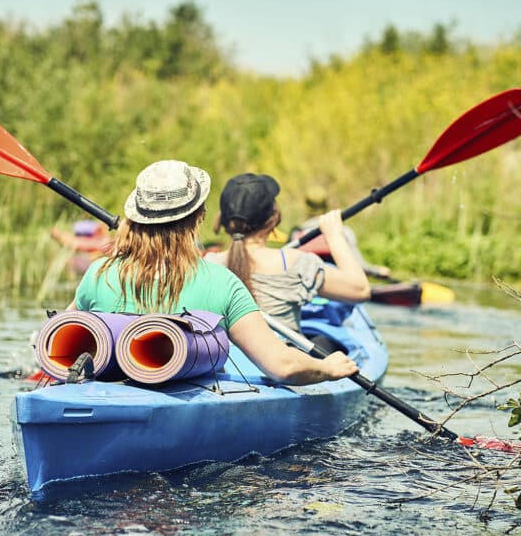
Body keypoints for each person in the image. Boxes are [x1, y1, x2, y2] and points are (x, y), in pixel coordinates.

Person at [68, 160, 359, 385]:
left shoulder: (98, 274)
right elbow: (281, 366)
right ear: (199, 217)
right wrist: (328, 367)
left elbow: (58, 339)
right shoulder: (220, 283)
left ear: (135, 217)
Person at [206, 173, 371, 335]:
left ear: (222, 220)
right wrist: (335, 235)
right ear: (274, 218)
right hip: (284, 359)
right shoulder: (293, 262)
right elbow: (361, 290)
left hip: (228, 361)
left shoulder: (208, 265)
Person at [297, 186, 391, 279]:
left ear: (307, 206)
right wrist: (377, 271)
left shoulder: (296, 235)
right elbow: (360, 266)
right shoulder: (342, 231)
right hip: (339, 288)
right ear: (326, 204)